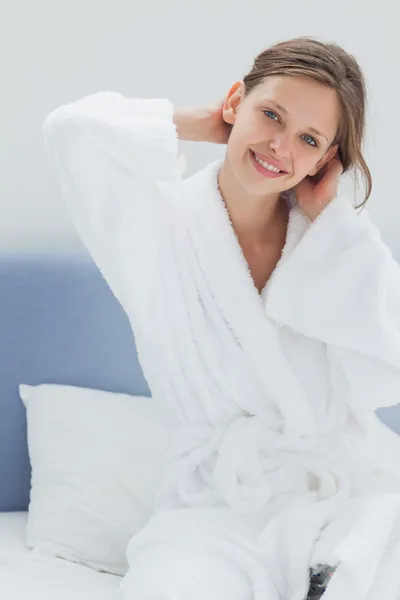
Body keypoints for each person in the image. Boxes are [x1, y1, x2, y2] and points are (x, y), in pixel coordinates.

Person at [42, 36, 400, 600]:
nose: (281, 146)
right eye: (270, 114)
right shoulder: (154, 228)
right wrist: (208, 124)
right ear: (236, 101)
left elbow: (386, 363)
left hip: (348, 490)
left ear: (324, 161)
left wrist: (337, 224)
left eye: (308, 139)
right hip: (214, 507)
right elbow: (71, 129)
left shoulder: (331, 242)